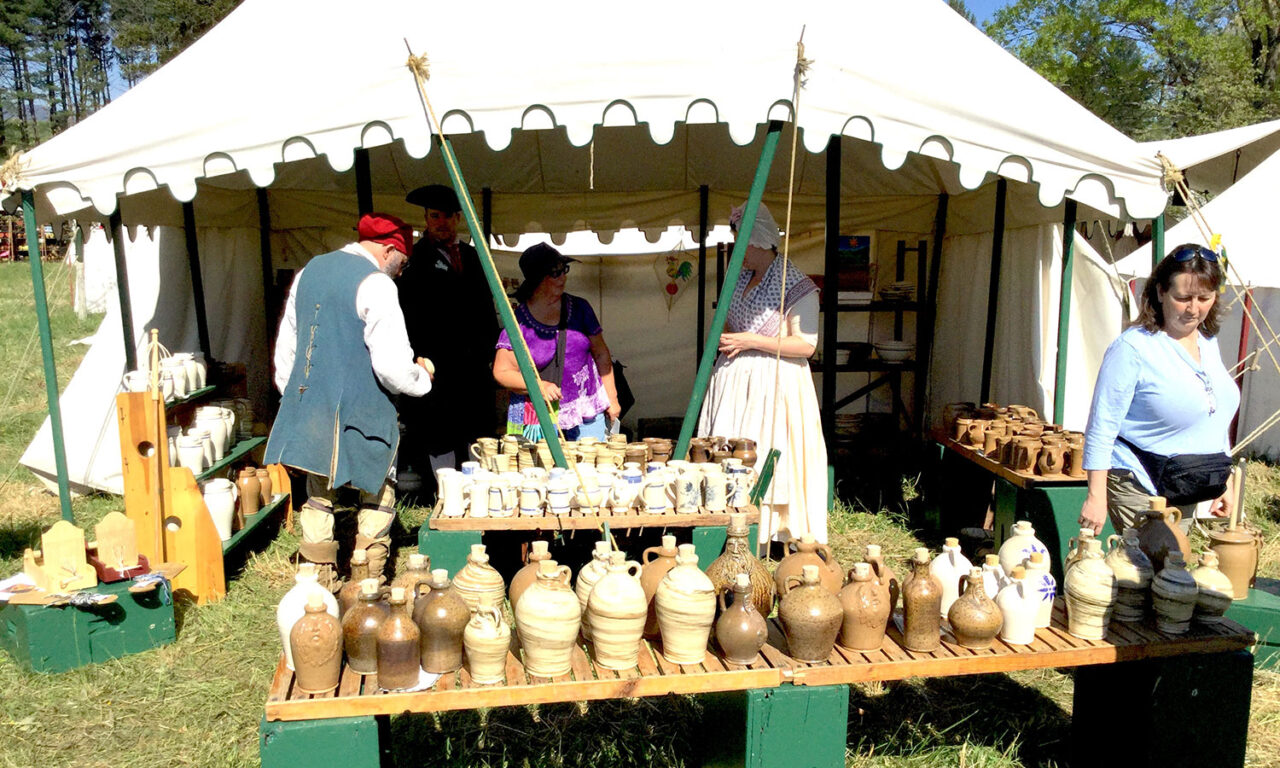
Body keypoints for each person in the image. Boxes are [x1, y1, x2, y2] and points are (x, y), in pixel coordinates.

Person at [265, 212, 434, 588]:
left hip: (312, 403)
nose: (401, 272)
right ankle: (367, 584)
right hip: (363, 407)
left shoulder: (309, 271)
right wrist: (422, 378)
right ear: (390, 249)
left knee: (318, 493)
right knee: (378, 488)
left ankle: (317, 583)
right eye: (402, 262)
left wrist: (293, 394)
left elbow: (287, 345)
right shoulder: (377, 284)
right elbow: (391, 366)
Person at [1079, 243, 1239, 535]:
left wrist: (1223, 480)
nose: (1194, 308)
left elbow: (1213, 413)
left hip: (1188, 483)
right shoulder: (1133, 348)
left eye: (1204, 297)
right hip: (1140, 481)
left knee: (1172, 569)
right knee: (1151, 571)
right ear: (1161, 292)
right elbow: (1102, 426)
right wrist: (1096, 496)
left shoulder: (1208, 343)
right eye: (1183, 298)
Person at [698, 202, 829, 544]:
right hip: (734, 380)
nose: (736, 247)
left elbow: (806, 346)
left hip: (774, 383)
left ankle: (769, 529)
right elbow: (728, 320)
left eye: (740, 239)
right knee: (729, 451)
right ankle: (729, 521)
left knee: (767, 448)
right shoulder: (738, 276)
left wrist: (752, 340)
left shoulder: (795, 284)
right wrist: (727, 336)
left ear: (756, 240)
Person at [396, 184, 500, 491]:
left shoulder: (473, 255)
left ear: (458, 218)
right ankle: (445, 494)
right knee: (439, 428)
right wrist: (414, 353)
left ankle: (475, 493)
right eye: (434, 216)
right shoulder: (413, 259)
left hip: (474, 362)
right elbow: (405, 312)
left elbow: (486, 307)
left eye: (447, 216)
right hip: (434, 360)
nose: (441, 222)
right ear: (426, 219)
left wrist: (493, 350)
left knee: (476, 427)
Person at [492, 243, 619, 441]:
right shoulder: (519, 321)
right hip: (540, 418)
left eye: (564, 270)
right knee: (544, 471)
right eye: (555, 273)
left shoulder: (580, 308)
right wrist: (538, 386)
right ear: (537, 279)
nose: (563, 277)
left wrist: (612, 398)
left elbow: (601, 353)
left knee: (591, 467)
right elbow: (502, 372)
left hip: (585, 413)